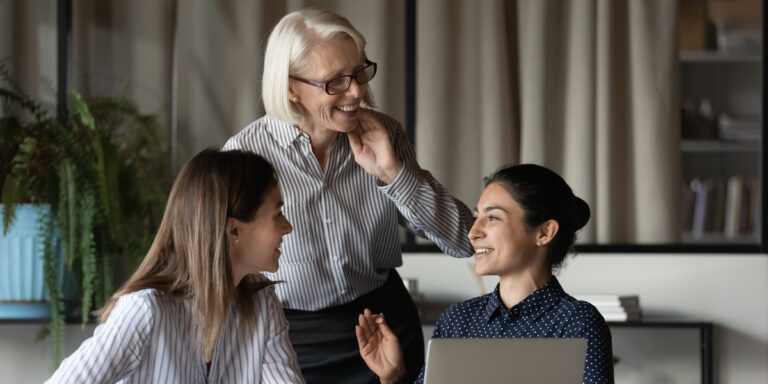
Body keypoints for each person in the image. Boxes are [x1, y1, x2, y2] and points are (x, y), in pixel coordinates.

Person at [222, 9, 474, 383]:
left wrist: (394, 173)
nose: (356, 91)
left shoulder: (384, 133)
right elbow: (215, 260)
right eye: (334, 82)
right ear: (290, 87)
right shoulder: (245, 155)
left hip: (385, 328)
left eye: (358, 72)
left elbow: (464, 240)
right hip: (290, 339)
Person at [46, 149, 305, 383]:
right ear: (233, 229)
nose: (288, 227)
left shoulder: (262, 302)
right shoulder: (144, 311)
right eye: (277, 213)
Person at [357, 164, 615, 384]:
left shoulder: (577, 322)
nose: (473, 232)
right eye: (476, 216)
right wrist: (391, 377)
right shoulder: (457, 321)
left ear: (544, 232)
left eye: (493, 218)